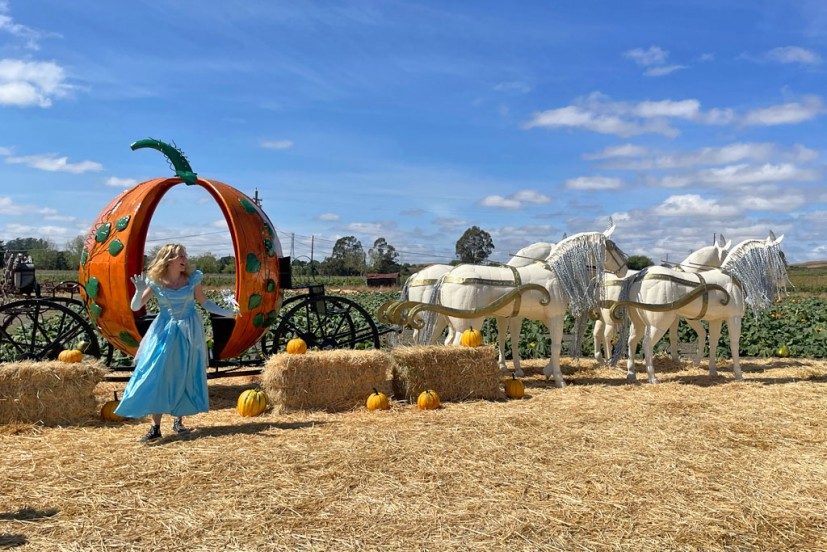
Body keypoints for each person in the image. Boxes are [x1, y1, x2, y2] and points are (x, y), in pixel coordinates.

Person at [114, 244, 240, 441]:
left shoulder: (192, 278)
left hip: (188, 330)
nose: (185, 259)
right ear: (169, 259)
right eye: (180, 255)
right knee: (157, 373)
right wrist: (139, 292)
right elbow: (136, 306)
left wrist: (227, 313)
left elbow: (204, 301)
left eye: (185, 255)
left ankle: (178, 421)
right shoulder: (155, 281)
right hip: (163, 331)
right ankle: (155, 427)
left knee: (183, 372)